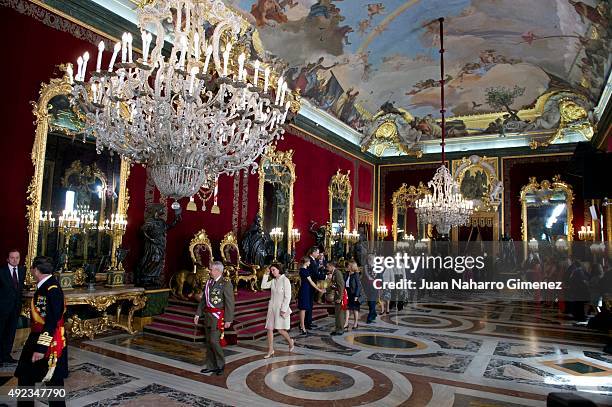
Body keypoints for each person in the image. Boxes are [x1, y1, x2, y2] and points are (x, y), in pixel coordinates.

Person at [15, 256, 67, 407]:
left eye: (32, 268)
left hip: (48, 340)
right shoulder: (45, 286)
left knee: (52, 380)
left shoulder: (52, 289)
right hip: (42, 337)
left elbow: (52, 321)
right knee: (29, 376)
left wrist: (40, 348)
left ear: (36, 270)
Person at [194, 261, 234, 376]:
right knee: (208, 342)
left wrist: (228, 319)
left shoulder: (225, 283)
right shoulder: (209, 282)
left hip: (217, 318)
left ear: (217, 271)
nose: (209, 271)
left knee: (214, 341)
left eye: (211, 269)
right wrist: (197, 314)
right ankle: (211, 366)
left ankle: (221, 365)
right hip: (207, 316)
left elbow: (229, 303)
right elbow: (203, 300)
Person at [261, 263, 295, 358]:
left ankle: (290, 341)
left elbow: (288, 296)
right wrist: (266, 274)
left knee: (280, 330)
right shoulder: (273, 281)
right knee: (269, 329)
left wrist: (283, 309)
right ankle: (270, 350)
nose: (272, 272)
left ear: (279, 270)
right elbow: (263, 286)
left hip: (281, 309)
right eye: (271, 270)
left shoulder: (285, 280)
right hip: (272, 308)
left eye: (273, 270)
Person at [1, 249, 26, 365]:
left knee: (10, 333)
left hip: (15, 308)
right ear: (7, 259)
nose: (15, 260)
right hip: (2, 308)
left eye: (17, 257)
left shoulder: (22, 270)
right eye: (12, 258)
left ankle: (6, 355)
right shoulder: (1, 271)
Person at [297, 256, 325, 335]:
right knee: (303, 308)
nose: (310, 263)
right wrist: (319, 290)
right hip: (304, 290)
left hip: (306, 289)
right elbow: (311, 282)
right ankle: (302, 326)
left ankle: (301, 325)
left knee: (304, 308)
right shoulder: (304, 270)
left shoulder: (305, 270)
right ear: (306, 262)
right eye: (309, 261)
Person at [327, 262, 346, 336]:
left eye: (328, 266)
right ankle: (337, 328)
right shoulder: (334, 272)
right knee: (337, 313)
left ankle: (340, 329)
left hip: (339, 296)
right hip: (337, 295)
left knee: (340, 313)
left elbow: (341, 286)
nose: (327, 268)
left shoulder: (337, 273)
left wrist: (340, 298)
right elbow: (334, 285)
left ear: (332, 266)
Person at [344, 261, 362, 330]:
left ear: (352, 267)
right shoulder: (347, 273)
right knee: (347, 308)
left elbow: (358, 286)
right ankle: (346, 323)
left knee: (355, 309)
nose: (347, 266)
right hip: (347, 293)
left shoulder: (356, 274)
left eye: (348, 265)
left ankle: (356, 323)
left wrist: (356, 296)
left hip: (354, 294)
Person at [362, 255, 378, 324]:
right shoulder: (365, 266)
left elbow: (374, 276)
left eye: (371, 259)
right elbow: (367, 276)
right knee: (370, 302)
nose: (369, 260)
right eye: (369, 259)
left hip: (374, 286)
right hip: (367, 286)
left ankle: (370, 317)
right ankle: (374, 313)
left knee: (372, 301)